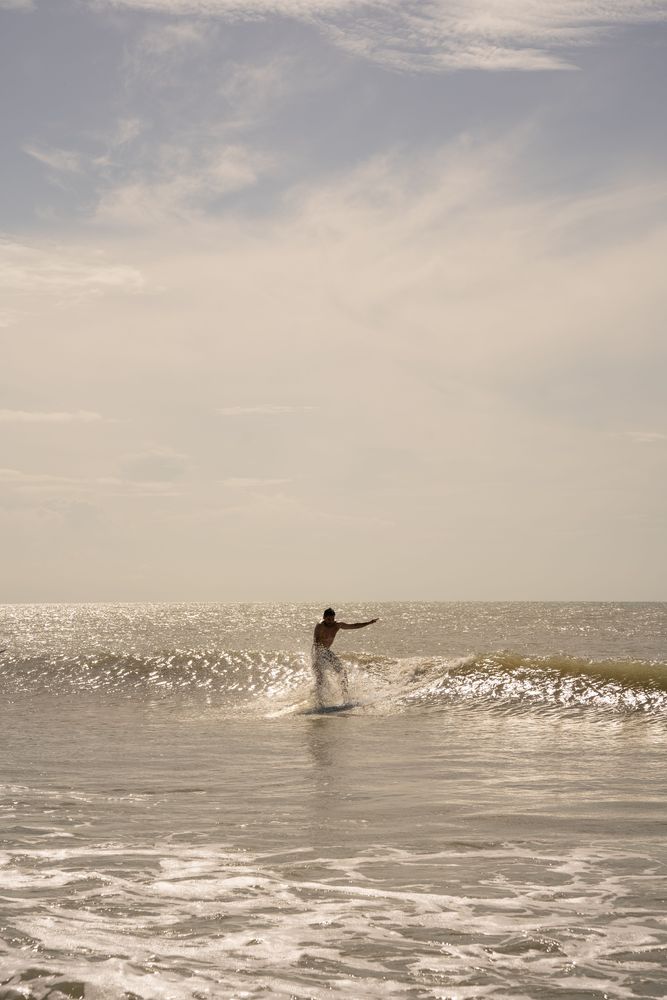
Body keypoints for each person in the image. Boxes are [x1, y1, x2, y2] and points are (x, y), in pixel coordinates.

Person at [311, 608, 378, 706]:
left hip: (326, 652)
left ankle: (345, 697)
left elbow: (353, 626)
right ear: (324, 618)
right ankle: (319, 702)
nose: (331, 621)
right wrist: (317, 660)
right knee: (320, 678)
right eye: (328, 619)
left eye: (332, 619)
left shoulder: (337, 625)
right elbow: (316, 643)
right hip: (318, 653)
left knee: (342, 672)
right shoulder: (320, 626)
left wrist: (368, 623)